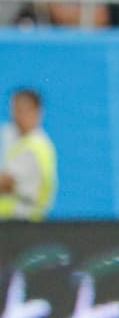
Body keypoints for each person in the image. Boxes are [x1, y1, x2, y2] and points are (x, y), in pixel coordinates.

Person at [0, 89, 57, 221]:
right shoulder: (14, 138)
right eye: (14, 109)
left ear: (36, 112)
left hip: (22, 223)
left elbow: (4, 183)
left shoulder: (35, 146)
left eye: (22, 110)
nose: (16, 116)